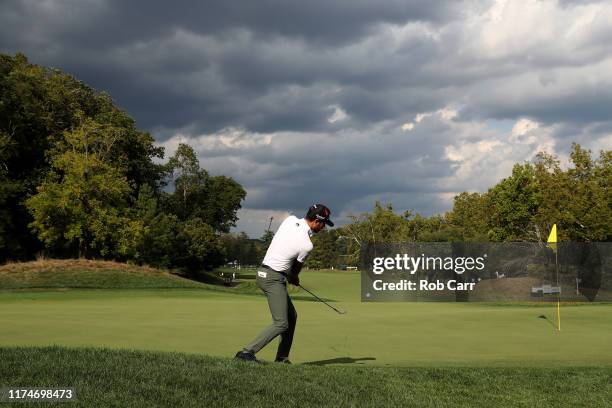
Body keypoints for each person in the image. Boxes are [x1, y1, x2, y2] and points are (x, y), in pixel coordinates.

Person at [234, 204, 334, 363]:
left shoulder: (289, 220)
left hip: (265, 272)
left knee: (291, 316)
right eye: (323, 224)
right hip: (272, 278)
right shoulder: (307, 245)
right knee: (281, 323)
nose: (323, 228)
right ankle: (246, 353)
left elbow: (285, 249)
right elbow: (295, 269)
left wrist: (289, 275)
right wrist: (294, 278)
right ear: (316, 221)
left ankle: (282, 358)